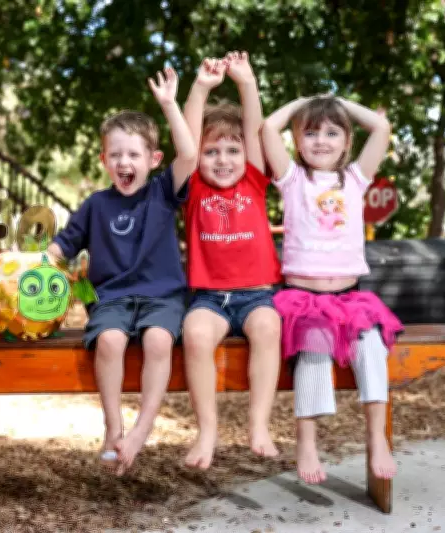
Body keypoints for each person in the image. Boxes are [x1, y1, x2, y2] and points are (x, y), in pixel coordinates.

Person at [47, 66, 197, 475]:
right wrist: (35, 266)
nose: (124, 162)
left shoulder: (163, 192)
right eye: (115, 155)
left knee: (159, 341)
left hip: (161, 297)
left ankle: (141, 430)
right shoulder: (96, 204)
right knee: (110, 341)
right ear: (104, 161)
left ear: (153, 160)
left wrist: (169, 105)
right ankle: (113, 426)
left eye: (133, 155)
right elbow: (62, 246)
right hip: (112, 299)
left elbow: (189, 156)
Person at [262, 95, 403, 484]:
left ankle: (376, 437)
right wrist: (303, 102)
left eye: (331, 133)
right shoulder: (292, 179)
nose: (321, 141)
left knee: (372, 349)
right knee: (314, 351)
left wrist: (338, 101)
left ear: (347, 142)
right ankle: (306, 442)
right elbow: (268, 128)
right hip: (304, 300)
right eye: (310, 133)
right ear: (297, 140)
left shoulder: (356, 179)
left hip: (350, 298)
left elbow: (381, 127)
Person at [181, 52, 282, 470]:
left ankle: (259, 425)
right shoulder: (194, 187)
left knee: (269, 327)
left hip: (256, 296)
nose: (223, 159)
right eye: (212, 151)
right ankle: (207, 431)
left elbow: (256, 129)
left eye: (232, 150)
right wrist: (200, 88)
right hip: (209, 299)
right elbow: (186, 140)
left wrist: (247, 83)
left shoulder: (254, 180)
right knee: (195, 334)